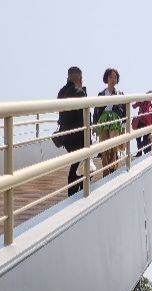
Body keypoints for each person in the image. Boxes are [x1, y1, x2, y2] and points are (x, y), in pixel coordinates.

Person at [55, 67, 87, 196]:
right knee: (81, 164)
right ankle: (76, 193)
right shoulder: (79, 93)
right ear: (80, 79)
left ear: (68, 77)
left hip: (65, 136)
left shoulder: (61, 92)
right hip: (78, 135)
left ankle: (74, 192)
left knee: (76, 163)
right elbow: (83, 119)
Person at [93, 68, 125, 176]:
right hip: (103, 120)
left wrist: (124, 124)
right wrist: (94, 124)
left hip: (115, 120)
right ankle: (105, 171)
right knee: (104, 146)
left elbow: (124, 110)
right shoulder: (101, 94)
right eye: (111, 77)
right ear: (106, 78)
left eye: (115, 77)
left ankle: (113, 168)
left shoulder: (120, 93)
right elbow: (96, 110)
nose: (113, 79)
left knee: (113, 144)